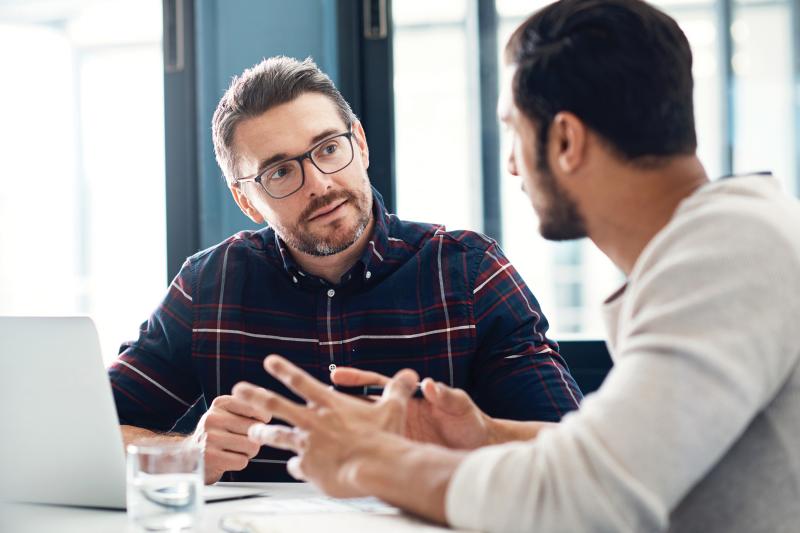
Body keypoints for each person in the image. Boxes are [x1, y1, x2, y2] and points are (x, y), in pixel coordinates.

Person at [231, 0, 800, 530]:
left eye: (512, 129)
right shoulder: (723, 245)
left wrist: (372, 463)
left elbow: (586, 497)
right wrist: (481, 434)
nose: (509, 165)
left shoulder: (728, 254)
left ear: (566, 141)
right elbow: (625, 455)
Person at [108, 56, 582, 483]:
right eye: (280, 172)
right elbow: (89, 434)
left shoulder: (471, 272)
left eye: (329, 148)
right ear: (245, 200)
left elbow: (573, 453)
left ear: (360, 143)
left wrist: (469, 436)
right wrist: (185, 453)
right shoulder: (207, 286)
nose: (319, 182)